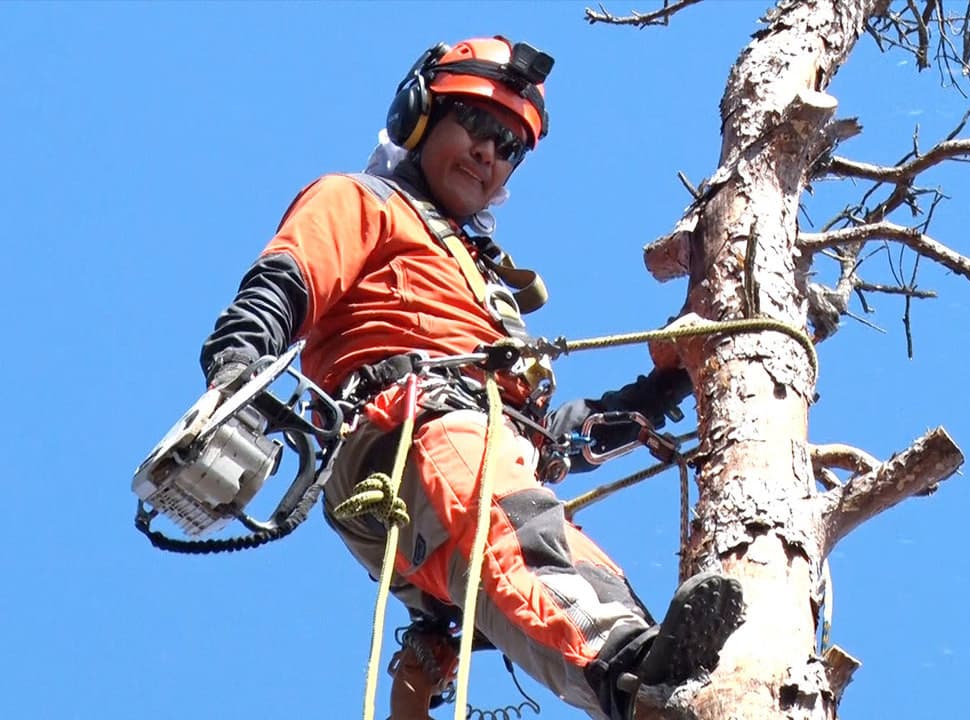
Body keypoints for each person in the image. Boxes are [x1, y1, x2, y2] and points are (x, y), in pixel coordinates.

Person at [199, 36, 744, 720]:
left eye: (510, 146)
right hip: (408, 434)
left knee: (577, 561)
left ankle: (655, 681)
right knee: (520, 530)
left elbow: (546, 437)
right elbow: (285, 284)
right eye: (478, 126)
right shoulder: (363, 201)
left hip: (465, 458)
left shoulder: (478, 282)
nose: (490, 153)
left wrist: (661, 388)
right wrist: (236, 377)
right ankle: (637, 675)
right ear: (419, 117)